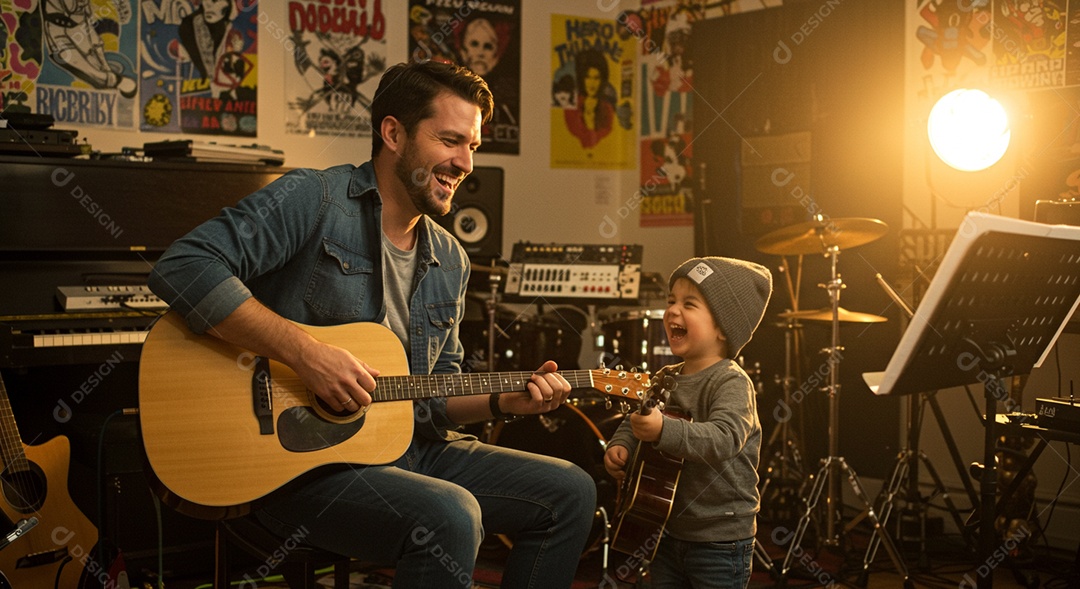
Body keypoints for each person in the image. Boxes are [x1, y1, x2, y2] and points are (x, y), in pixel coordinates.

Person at [148, 60, 596, 588]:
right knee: (450, 514)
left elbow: (431, 397)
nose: (465, 163)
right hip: (300, 465)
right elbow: (183, 266)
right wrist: (305, 354)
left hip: (408, 450)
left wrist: (505, 401)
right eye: (450, 140)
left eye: (472, 146)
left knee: (572, 491)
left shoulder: (450, 257)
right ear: (392, 132)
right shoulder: (313, 200)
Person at [604, 257, 772, 589]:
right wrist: (621, 443)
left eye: (689, 304)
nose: (672, 311)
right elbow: (638, 419)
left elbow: (724, 439)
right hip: (665, 528)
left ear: (723, 327)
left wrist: (663, 430)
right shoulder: (665, 377)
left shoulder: (730, 382)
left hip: (719, 539)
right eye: (671, 301)